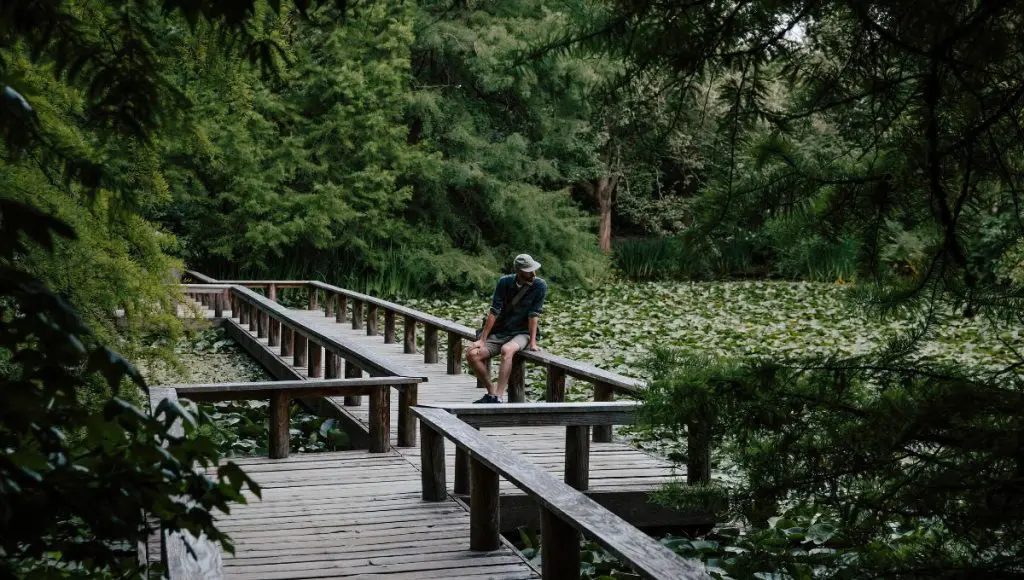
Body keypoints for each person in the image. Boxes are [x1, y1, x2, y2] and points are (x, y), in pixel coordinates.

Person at [467, 254, 547, 403]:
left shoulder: (539, 285)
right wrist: (483, 340)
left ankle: (498, 396)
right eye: (528, 271)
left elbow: (534, 315)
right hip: (501, 332)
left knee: (507, 350)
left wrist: (533, 343)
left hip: (522, 333)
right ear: (518, 271)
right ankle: (491, 393)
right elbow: (494, 311)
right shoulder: (504, 282)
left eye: (533, 270)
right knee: (472, 355)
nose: (532, 273)